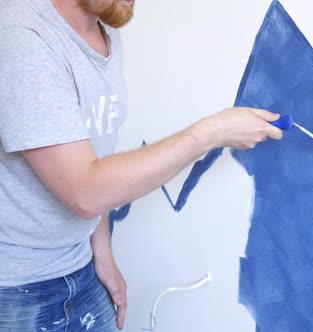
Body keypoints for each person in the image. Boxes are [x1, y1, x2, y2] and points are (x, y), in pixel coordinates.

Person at [0, 0, 283, 330]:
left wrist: (101, 251)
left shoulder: (104, 27)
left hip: (80, 265)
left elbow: (91, 155)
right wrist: (212, 132)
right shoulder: (22, 37)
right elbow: (85, 190)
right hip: (17, 293)